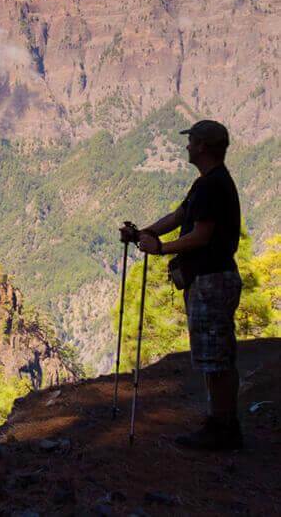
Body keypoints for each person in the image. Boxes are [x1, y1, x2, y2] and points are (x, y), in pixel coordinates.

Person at [120, 119, 242, 450]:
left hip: (210, 279)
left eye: (191, 142)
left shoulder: (211, 186)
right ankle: (222, 422)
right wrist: (142, 233)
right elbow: (178, 218)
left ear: (202, 147)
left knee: (215, 357)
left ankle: (222, 427)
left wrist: (159, 248)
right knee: (216, 355)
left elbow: (201, 236)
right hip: (213, 278)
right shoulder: (208, 183)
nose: (187, 146)